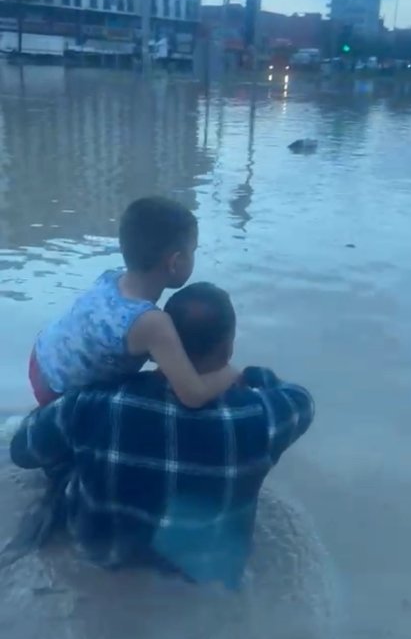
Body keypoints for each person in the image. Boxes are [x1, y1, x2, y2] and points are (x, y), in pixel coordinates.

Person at [12, 283, 314, 588]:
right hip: (200, 575)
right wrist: (250, 376)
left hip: (101, 558)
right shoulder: (260, 418)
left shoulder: (95, 402)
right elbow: (301, 399)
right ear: (227, 348)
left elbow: (22, 451)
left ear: (158, 351)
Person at [29, 197, 237, 408]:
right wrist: (230, 374)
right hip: (56, 392)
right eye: (193, 251)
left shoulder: (111, 278)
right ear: (175, 262)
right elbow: (193, 396)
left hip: (40, 359)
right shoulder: (152, 323)